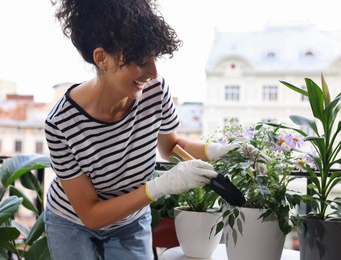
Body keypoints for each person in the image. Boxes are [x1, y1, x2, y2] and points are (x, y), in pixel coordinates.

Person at [44, 0, 237, 259]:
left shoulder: (155, 91)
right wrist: (160, 186)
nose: (154, 73)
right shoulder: (61, 123)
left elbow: (170, 148)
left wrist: (220, 151)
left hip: (130, 223)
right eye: (141, 61)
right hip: (72, 223)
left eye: (155, 58)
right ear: (102, 58)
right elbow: (90, 215)